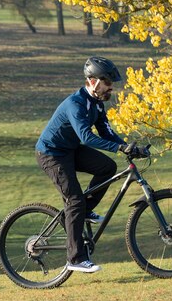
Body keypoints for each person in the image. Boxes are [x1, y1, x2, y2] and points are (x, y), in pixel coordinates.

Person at [35, 56, 146, 273]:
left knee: (107, 167)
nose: (110, 87)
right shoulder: (75, 104)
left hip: (71, 149)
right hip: (52, 154)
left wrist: (129, 147)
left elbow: (106, 133)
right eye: (107, 83)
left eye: (111, 83)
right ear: (93, 81)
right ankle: (75, 258)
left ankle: (85, 210)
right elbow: (86, 137)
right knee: (75, 201)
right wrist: (118, 148)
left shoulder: (96, 105)